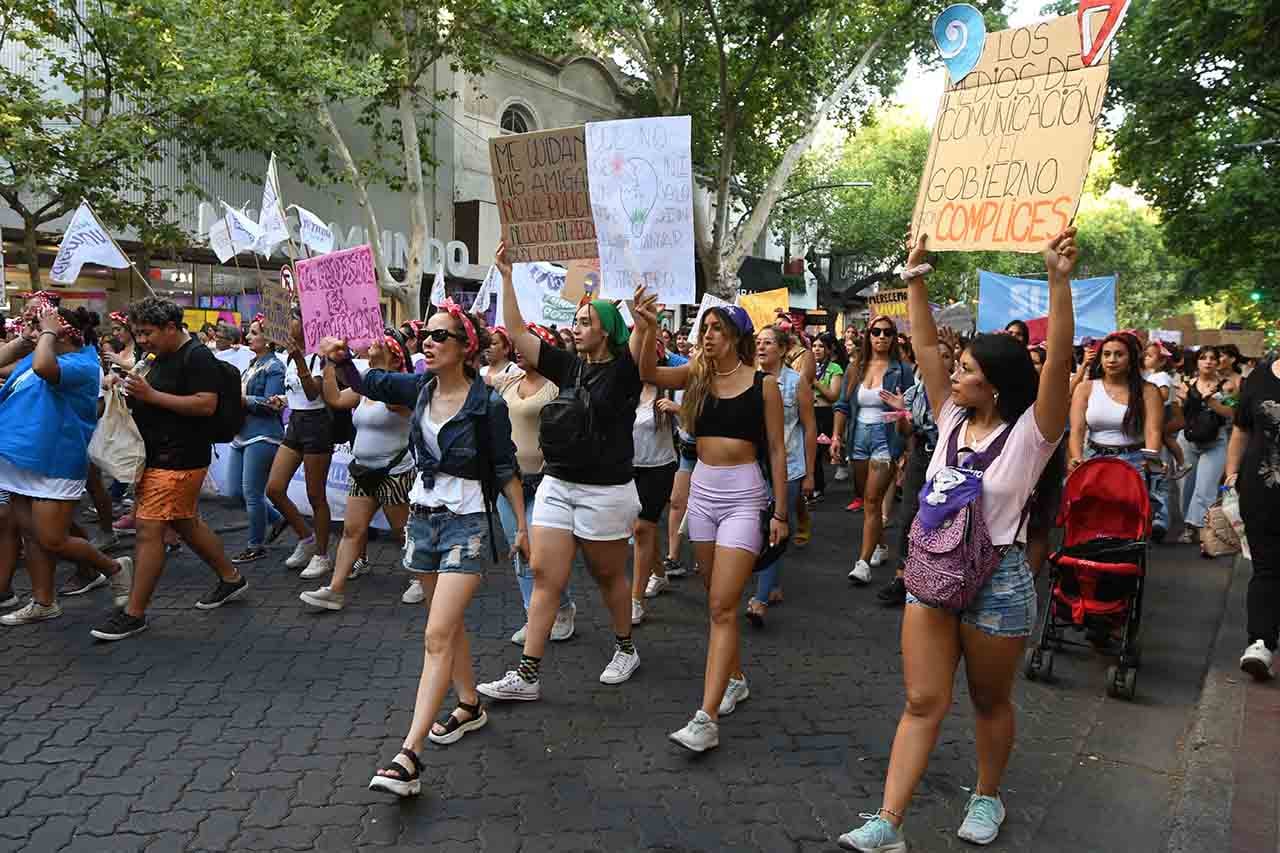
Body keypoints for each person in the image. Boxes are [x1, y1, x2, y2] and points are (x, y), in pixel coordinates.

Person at [841, 229, 1077, 852]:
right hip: (933, 573)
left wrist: (1058, 280)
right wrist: (914, 276)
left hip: (998, 582)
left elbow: (1056, 364)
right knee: (922, 699)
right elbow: (922, 342)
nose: (954, 372)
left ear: (993, 383)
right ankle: (888, 822)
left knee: (988, 701)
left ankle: (987, 795)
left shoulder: (1034, 434)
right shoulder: (947, 414)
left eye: (967, 368)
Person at [319, 304, 526, 798]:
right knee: (446, 625)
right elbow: (366, 382)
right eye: (424, 336)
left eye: (439, 336)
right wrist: (340, 359)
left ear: (463, 347)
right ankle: (470, 704)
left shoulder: (486, 404)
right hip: (423, 520)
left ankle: (408, 756)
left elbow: (504, 467)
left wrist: (523, 527)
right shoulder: (419, 388)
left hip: (468, 523)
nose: (426, 343)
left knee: (436, 633)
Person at [478, 242, 645, 703]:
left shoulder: (626, 371)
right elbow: (514, 330)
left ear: (608, 332)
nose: (577, 323)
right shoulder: (567, 365)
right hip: (558, 483)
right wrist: (508, 276)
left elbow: (639, 336)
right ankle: (528, 674)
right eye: (577, 318)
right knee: (545, 573)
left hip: (607, 490)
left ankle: (625, 647)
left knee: (607, 575)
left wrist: (639, 304)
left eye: (587, 320)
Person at [634, 301, 789, 752]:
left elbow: (777, 449)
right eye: (705, 328)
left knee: (723, 606)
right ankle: (735, 679)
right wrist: (647, 327)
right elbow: (648, 371)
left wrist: (780, 512)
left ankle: (705, 718)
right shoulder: (697, 377)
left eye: (717, 329)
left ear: (736, 337)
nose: (708, 335)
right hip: (702, 496)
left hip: (744, 497)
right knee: (714, 600)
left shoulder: (766, 386)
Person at [90, 297, 246, 641]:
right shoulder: (158, 356)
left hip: (180, 458)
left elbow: (206, 405)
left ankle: (134, 612)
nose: (142, 340)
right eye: (139, 333)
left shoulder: (197, 356)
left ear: (172, 328)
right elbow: (149, 390)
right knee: (185, 522)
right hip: (159, 455)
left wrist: (150, 396)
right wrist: (125, 385)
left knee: (149, 529)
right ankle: (232, 578)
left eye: (147, 333)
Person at [0, 303, 133, 626]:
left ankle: (114, 568)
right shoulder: (45, 351)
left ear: (62, 335)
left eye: (46, 329)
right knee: (30, 536)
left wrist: (45, 333)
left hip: (55, 461)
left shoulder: (83, 364)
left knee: (52, 539)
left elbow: (45, 369)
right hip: (18, 458)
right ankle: (44, 601)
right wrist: (27, 339)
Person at [301, 330, 415, 611]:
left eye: (380, 343)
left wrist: (357, 372)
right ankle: (336, 590)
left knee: (403, 531)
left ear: (395, 354)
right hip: (363, 471)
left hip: (394, 472)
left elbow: (393, 404)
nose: (372, 343)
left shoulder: (401, 389)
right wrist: (329, 364)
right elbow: (336, 399)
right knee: (352, 531)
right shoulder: (365, 387)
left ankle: (418, 577)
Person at [490, 323, 576, 643]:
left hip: (544, 482)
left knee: (540, 556)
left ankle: (562, 605)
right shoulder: (508, 380)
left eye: (525, 346)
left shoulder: (558, 385)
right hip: (508, 481)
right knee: (522, 551)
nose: (517, 352)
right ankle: (535, 614)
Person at [876, 335, 957, 608]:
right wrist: (903, 417)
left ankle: (936, 575)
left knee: (941, 519)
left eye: (946, 356)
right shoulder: (914, 393)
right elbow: (907, 432)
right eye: (936, 356)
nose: (940, 361)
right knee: (909, 515)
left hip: (949, 462)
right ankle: (902, 576)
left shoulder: (959, 393)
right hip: (921, 457)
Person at [831, 315, 913, 585]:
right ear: (868, 335)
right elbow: (842, 405)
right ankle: (880, 546)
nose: (881, 336)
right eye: (876, 331)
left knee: (871, 500)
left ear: (893, 337)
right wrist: (835, 436)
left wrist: (903, 417)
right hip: (858, 438)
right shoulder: (856, 367)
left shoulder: (902, 369)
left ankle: (862, 563)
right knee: (868, 498)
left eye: (888, 332)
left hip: (885, 439)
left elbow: (911, 411)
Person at [747, 325, 815, 625]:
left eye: (768, 343)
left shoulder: (795, 382)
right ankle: (771, 585)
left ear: (783, 349)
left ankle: (759, 600)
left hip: (789, 466)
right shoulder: (748, 379)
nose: (761, 347)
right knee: (758, 527)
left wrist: (811, 472)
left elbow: (810, 427)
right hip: (754, 467)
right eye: (758, 342)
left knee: (774, 528)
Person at [1067, 332, 1166, 538]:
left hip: (1134, 462)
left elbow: (1153, 431)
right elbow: (1076, 430)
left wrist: (1151, 460)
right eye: (1107, 354)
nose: (1112, 360)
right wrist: (1076, 458)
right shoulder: (1085, 388)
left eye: (1119, 354)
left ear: (1131, 358)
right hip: (1093, 460)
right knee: (1091, 522)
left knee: (1129, 526)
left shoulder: (1149, 391)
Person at [265, 311, 334, 579]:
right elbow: (297, 394)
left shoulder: (320, 357)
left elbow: (314, 393)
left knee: (316, 495)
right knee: (274, 489)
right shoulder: (291, 358)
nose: (286, 324)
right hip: (295, 423)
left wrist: (298, 359)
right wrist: (282, 399)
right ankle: (306, 538)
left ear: (305, 326)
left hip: (317, 426)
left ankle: (322, 555)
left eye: (292, 319)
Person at [1227, 353, 1280, 679]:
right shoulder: (1259, 377)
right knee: (1267, 567)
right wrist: (1231, 474)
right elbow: (1241, 430)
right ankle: (1260, 642)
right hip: (1261, 492)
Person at [225, 318, 287, 564]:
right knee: (236, 492)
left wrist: (242, 400)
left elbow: (273, 405)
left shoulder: (274, 367)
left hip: (263, 434)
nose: (248, 337)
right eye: (248, 333)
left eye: (253, 333)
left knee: (252, 493)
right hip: (243, 433)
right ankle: (277, 519)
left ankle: (256, 545)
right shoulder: (253, 363)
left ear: (269, 339)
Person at [630, 342, 680, 625]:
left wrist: (678, 410)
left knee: (641, 528)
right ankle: (659, 573)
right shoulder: (628, 389)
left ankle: (635, 601)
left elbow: (694, 428)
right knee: (643, 531)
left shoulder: (671, 388)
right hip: (629, 468)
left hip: (660, 468)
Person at [1177, 345, 1237, 543]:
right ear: (1197, 361)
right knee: (1186, 486)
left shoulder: (1228, 386)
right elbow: (1180, 415)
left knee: (1206, 487)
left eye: (1213, 358)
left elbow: (1231, 415)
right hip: (1189, 439)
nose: (1209, 361)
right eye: (1204, 358)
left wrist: (1212, 401)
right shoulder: (1185, 384)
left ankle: (1202, 531)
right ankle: (1189, 525)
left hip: (1216, 441)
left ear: (1218, 362)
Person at [811, 333, 845, 500]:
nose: (817, 349)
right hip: (809, 412)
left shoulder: (835, 368)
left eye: (821, 346)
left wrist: (815, 383)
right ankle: (812, 486)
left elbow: (833, 396)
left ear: (829, 349)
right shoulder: (808, 366)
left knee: (817, 451)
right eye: (814, 346)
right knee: (808, 450)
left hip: (825, 415)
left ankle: (818, 487)